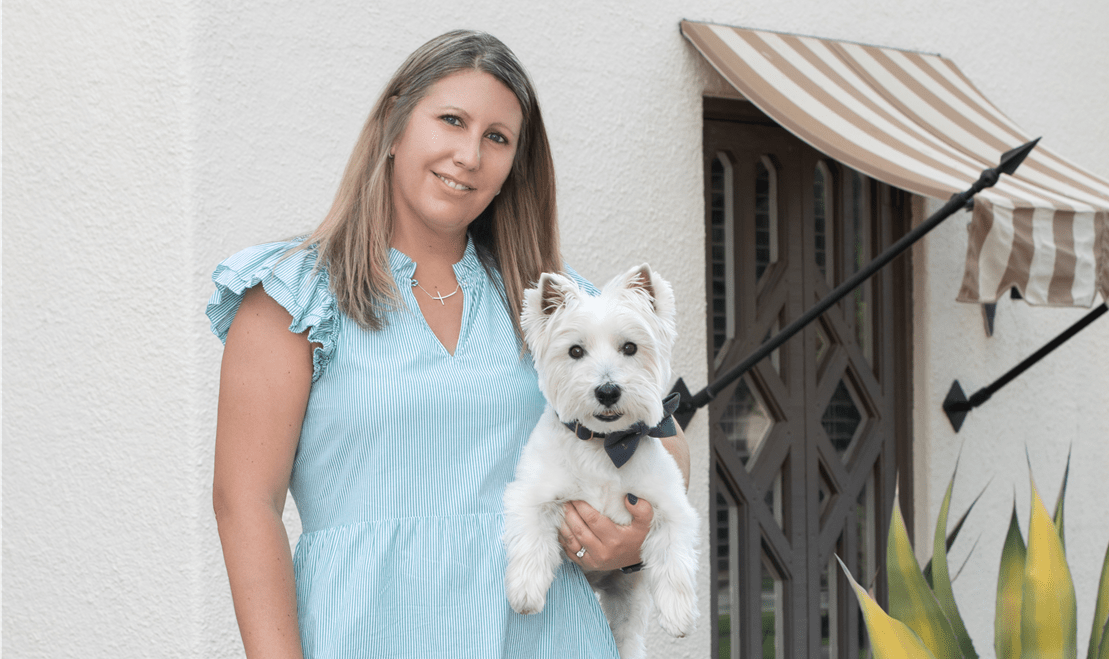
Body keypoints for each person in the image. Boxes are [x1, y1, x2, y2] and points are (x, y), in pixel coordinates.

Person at [207, 30, 689, 659]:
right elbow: (246, 504)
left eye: (497, 138)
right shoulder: (295, 294)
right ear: (395, 122)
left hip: (546, 637)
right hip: (365, 632)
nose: (469, 155)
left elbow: (665, 437)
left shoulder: (556, 308)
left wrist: (632, 541)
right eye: (452, 120)